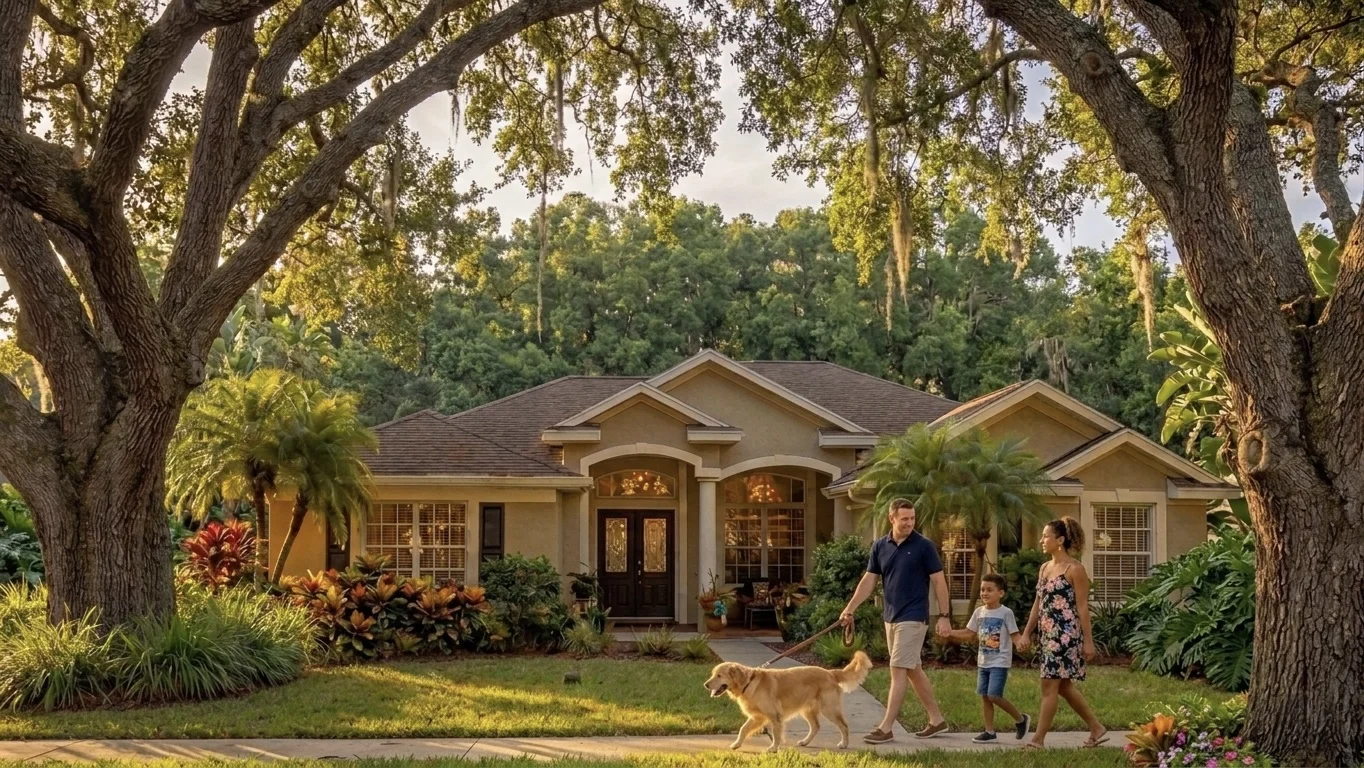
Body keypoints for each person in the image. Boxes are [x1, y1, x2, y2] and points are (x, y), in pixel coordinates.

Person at [839, 498, 953, 743]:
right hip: (891, 616)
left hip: (914, 617)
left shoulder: (924, 546)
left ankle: (886, 727)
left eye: (912, 518)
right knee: (913, 670)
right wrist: (850, 609)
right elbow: (869, 581)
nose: (909, 523)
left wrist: (944, 616)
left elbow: (939, 581)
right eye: (904, 519)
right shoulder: (881, 546)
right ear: (892, 518)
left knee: (898, 669)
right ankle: (937, 720)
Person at [1016, 517, 1109, 750]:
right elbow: (1039, 603)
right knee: (1064, 686)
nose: (1041, 540)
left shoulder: (1075, 569)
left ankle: (1037, 740)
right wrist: (1026, 633)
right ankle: (1097, 728)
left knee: (1049, 686)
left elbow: (1082, 607)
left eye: (1046, 536)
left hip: (1066, 636)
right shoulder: (1044, 568)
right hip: (1048, 635)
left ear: (1060, 540)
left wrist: (1088, 642)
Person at [939, 574, 1031, 743]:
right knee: (985, 696)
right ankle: (989, 732)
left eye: (989, 590)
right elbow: (968, 633)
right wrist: (950, 632)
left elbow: (1015, 635)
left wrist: (1021, 643)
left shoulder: (1006, 613)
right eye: (982, 589)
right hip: (983, 662)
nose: (984, 593)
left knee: (994, 695)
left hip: (1000, 661)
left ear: (1001, 593)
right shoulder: (979, 612)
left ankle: (1021, 719)